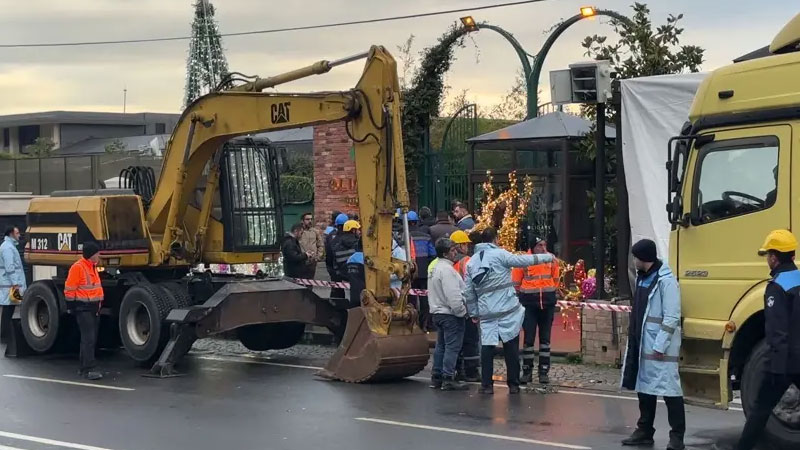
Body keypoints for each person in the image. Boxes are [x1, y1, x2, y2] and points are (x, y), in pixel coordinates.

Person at [464, 227, 553, 394]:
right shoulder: (501, 254)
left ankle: (486, 385)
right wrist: (547, 257)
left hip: (487, 311)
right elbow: (523, 261)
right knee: (511, 346)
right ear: (496, 239)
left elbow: (468, 292)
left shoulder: (472, 262)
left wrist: (473, 312)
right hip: (507, 309)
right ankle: (513, 384)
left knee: (487, 347)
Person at [735, 229, 800, 450]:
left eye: (768, 255)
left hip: (785, 362)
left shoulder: (777, 287)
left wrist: (775, 367)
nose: (767, 260)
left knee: (761, 409)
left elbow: (777, 330)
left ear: (774, 257)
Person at [621, 239, 685, 450]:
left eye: (636, 257)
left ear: (644, 258)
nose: (634, 260)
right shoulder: (644, 277)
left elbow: (671, 316)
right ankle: (645, 430)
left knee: (670, 392)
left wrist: (660, 345)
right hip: (643, 345)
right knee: (645, 390)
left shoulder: (665, 281)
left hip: (660, 350)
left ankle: (677, 437)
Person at [514, 237, 560, 385]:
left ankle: (543, 372)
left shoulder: (551, 259)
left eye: (545, 245)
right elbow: (515, 282)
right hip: (529, 305)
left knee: (545, 340)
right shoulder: (523, 261)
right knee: (528, 339)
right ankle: (527, 371)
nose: (543, 248)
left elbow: (556, 279)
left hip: (547, 304)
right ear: (533, 247)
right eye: (540, 245)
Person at [429, 238, 469, 391]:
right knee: (452, 347)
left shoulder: (435, 267)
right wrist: (462, 312)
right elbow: (453, 296)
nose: (455, 252)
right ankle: (448, 377)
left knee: (441, 346)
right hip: (450, 314)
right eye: (453, 250)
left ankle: (437, 376)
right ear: (445, 253)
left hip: (438, 312)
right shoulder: (448, 271)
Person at [64, 242, 104, 380]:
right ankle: (89, 369)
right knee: (89, 339)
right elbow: (70, 289)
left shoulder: (92, 267)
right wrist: (71, 307)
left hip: (93, 308)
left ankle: (84, 368)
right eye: (97, 253)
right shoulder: (78, 267)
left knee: (89, 339)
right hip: (83, 308)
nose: (99, 255)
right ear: (91, 255)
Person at [451, 230, 480, 382]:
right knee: (471, 340)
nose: (468, 246)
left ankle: (458, 370)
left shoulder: (446, 262)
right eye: (465, 244)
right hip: (468, 307)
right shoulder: (467, 261)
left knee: (456, 341)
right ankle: (471, 371)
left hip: (452, 307)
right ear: (459, 245)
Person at [409, 211, 435, 331]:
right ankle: (424, 325)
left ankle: (413, 325)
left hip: (410, 272)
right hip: (424, 272)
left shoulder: (402, 236)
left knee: (411, 299)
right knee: (425, 301)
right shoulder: (425, 236)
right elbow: (432, 254)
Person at [326, 213, 349, 300]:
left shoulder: (331, 235)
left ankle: (335, 306)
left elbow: (328, 253)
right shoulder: (346, 237)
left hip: (332, 267)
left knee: (336, 289)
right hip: (341, 268)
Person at [0, 226, 25, 306]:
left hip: (10, 284)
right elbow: (9, 267)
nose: (19, 235)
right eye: (17, 233)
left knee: (11, 306)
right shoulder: (7, 248)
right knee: (9, 307)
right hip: (10, 285)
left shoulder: (10, 246)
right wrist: (15, 284)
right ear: (11, 234)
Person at [333, 220, 361, 285]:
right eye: (358, 230)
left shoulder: (337, 244)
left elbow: (335, 263)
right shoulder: (357, 244)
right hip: (357, 276)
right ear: (353, 230)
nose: (359, 232)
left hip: (343, 276)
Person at [298, 212, 324, 280]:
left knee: (310, 281)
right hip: (301, 260)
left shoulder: (315, 231)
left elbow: (320, 245)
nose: (310, 221)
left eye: (311, 219)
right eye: (307, 219)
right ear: (302, 221)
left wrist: (318, 257)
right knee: (301, 281)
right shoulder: (299, 232)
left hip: (312, 261)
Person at [345, 240, 365, 309]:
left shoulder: (350, 258)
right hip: (366, 295)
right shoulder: (367, 260)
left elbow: (345, 273)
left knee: (355, 315)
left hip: (353, 293)